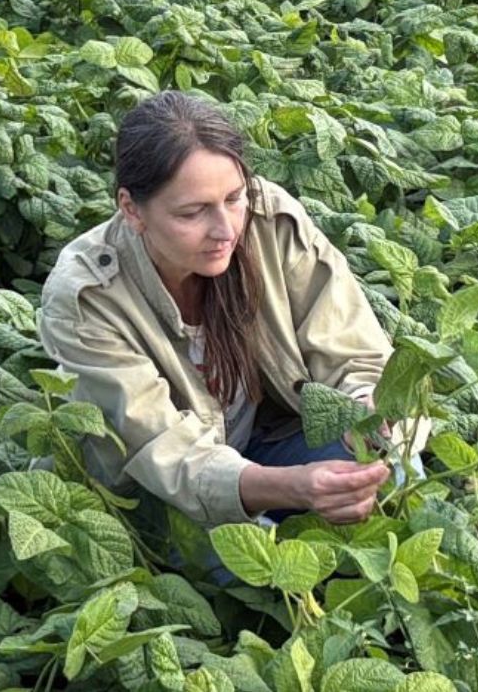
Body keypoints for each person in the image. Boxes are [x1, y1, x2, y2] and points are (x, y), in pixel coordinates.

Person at [37, 91, 431, 531]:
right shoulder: (87, 295)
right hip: (154, 499)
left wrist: (366, 408)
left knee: (392, 482)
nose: (225, 229)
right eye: (192, 212)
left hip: (267, 443)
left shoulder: (269, 220)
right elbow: (164, 454)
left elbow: (354, 351)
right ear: (131, 209)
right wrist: (294, 488)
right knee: (257, 563)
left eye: (234, 197)